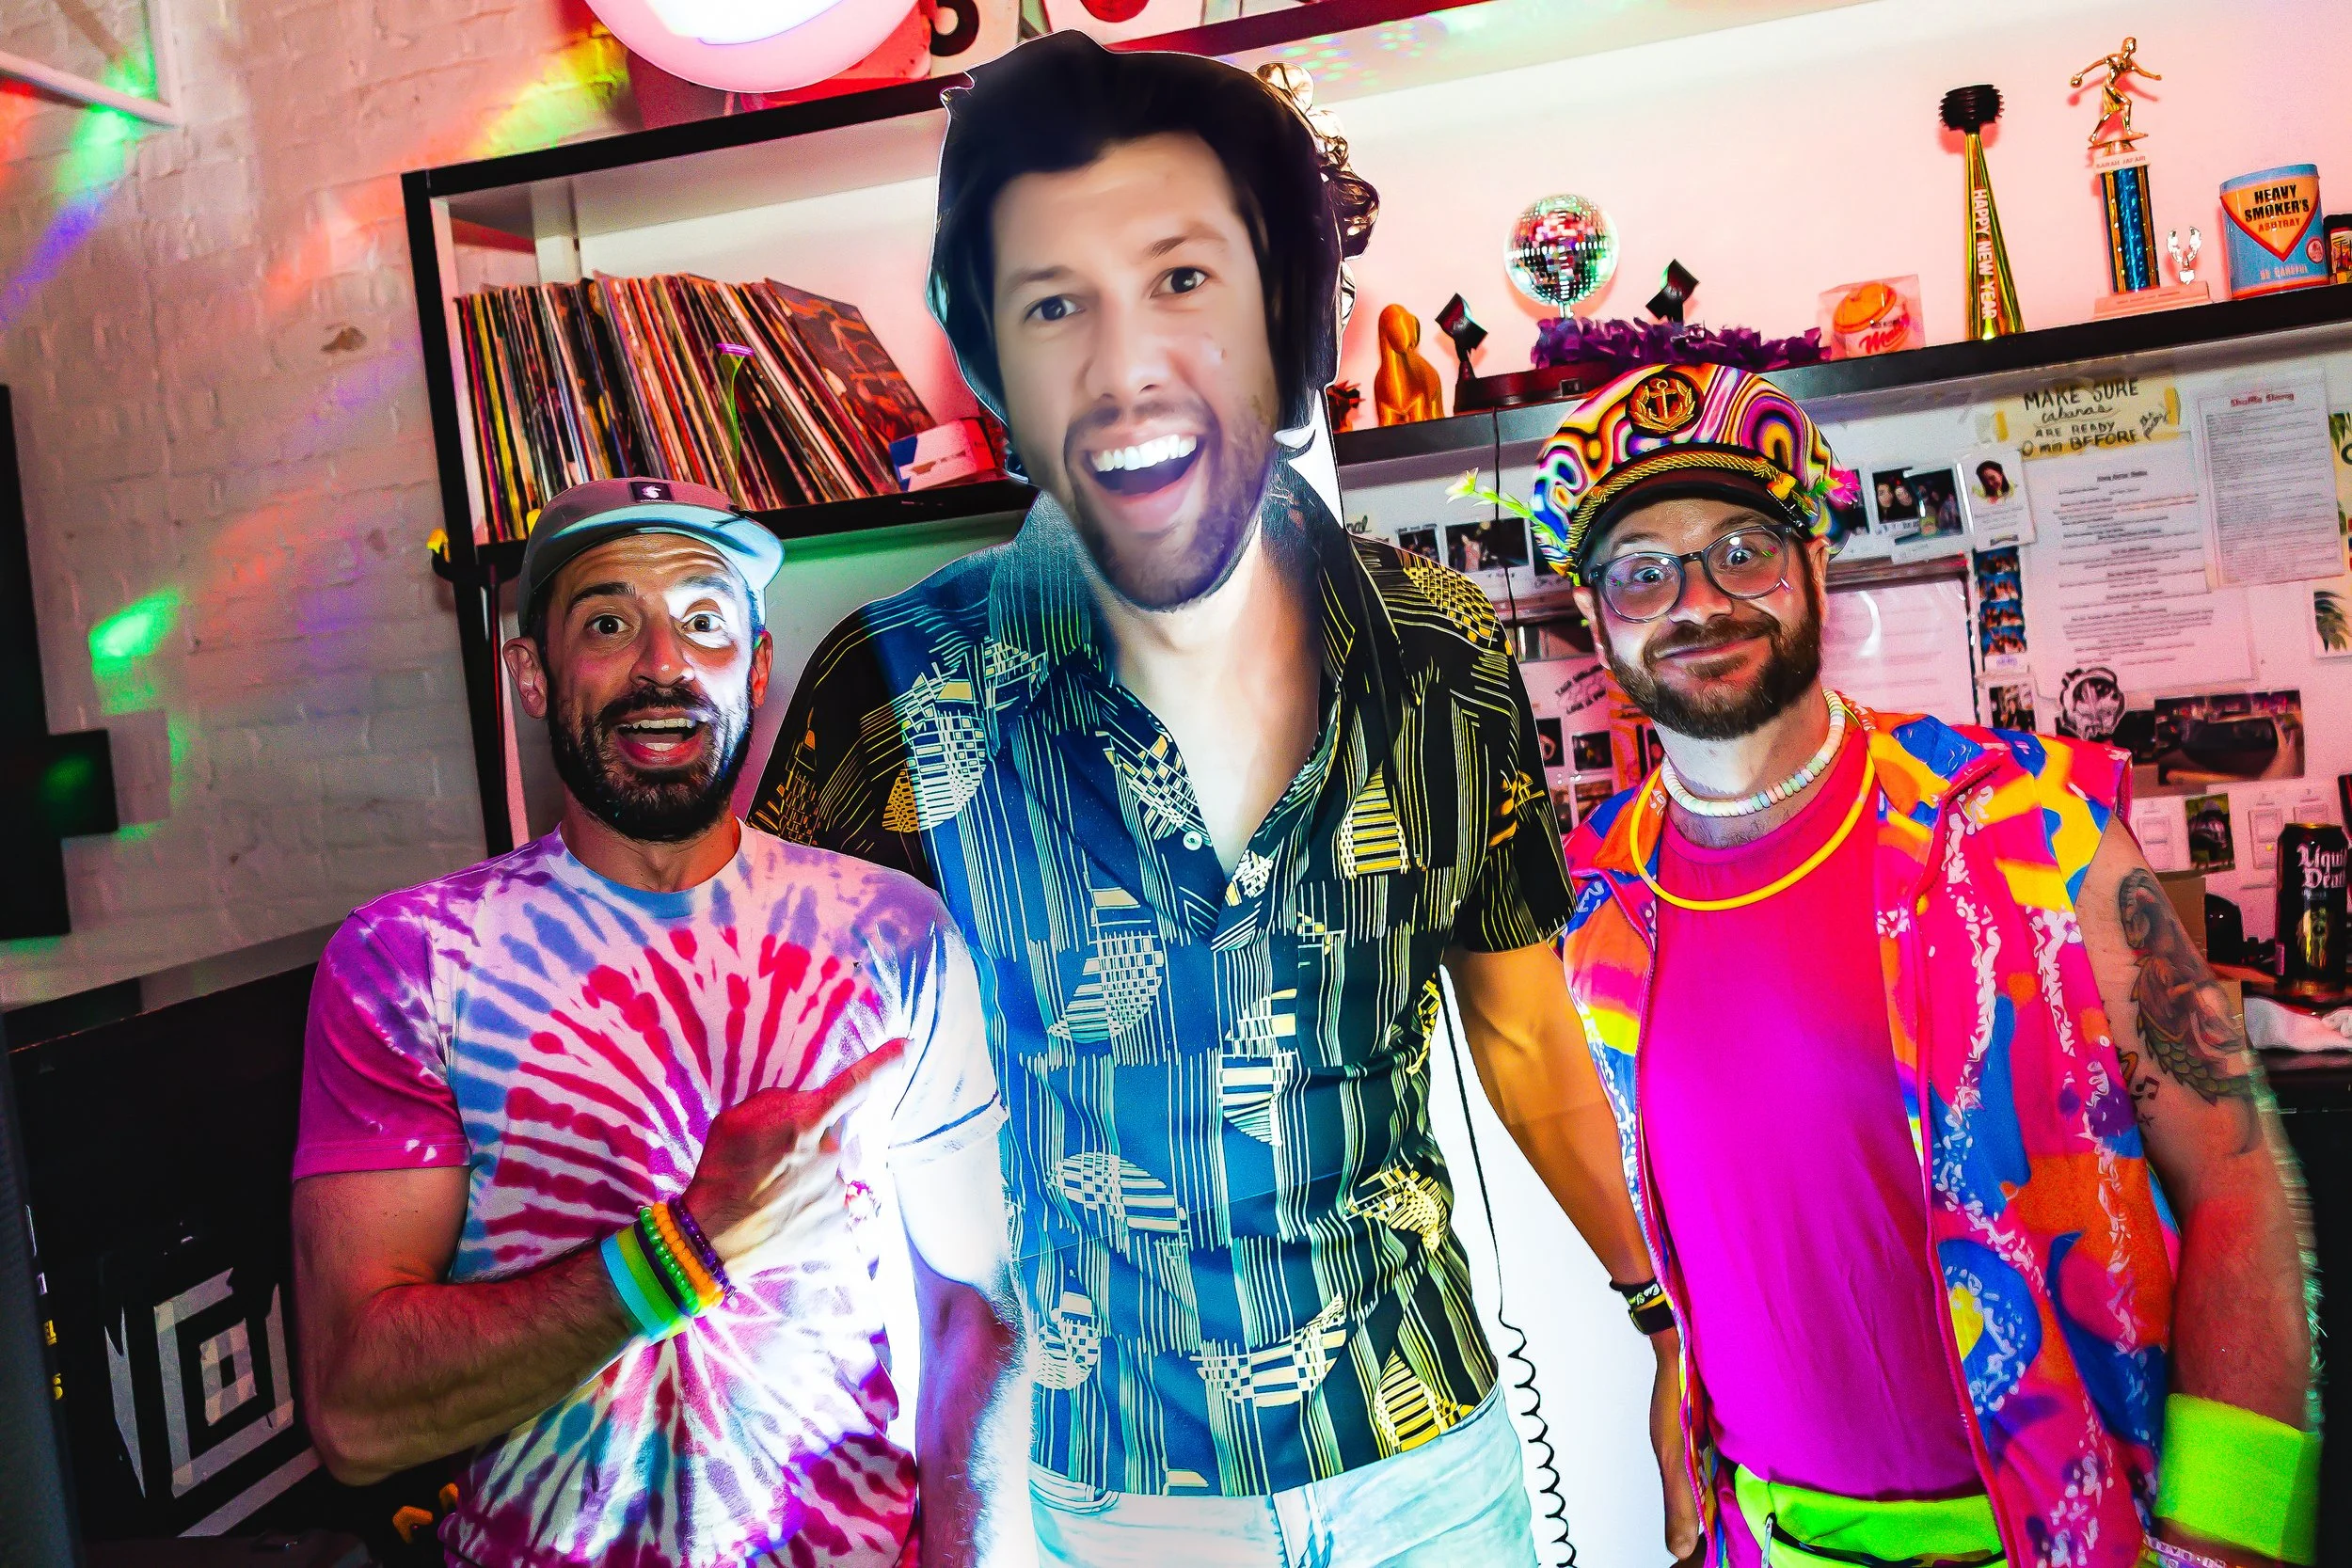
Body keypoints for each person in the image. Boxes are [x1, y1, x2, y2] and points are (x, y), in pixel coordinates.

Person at [748, 33, 1674, 1568]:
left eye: (1181, 279)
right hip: (1100, 1498)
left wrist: (1659, 1308)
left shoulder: (1438, 652)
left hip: (1429, 1473)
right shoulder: (888, 688)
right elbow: (780, 1101)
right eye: (1057, 304)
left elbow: (1524, 1032)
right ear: (990, 361)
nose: (1127, 365)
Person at [1530, 363, 2319, 1568]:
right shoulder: (1594, 902)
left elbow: (2236, 1180)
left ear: (1813, 563)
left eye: (1742, 549)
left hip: (2071, 1528)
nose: (1698, 601)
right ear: (1597, 621)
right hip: (1767, 1537)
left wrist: (2229, 1536)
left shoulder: (2035, 824)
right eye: (1642, 571)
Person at [291, 478, 1025, 1568]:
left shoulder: (897, 930)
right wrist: (684, 1251)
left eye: (703, 620)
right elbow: (357, 1416)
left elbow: (978, 1312)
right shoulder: (410, 962)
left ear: (756, 667)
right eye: (607, 622)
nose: (663, 663)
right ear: (532, 674)